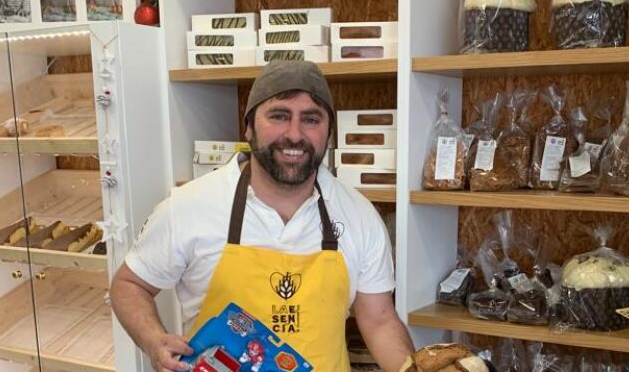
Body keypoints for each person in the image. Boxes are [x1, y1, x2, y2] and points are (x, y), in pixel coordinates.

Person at [110, 61, 414, 372]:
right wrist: (153, 340)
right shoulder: (189, 207)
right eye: (279, 116)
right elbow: (129, 284)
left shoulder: (359, 214)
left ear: (329, 133)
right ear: (249, 127)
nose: (294, 134)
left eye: (311, 119)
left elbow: (379, 320)